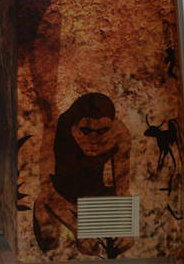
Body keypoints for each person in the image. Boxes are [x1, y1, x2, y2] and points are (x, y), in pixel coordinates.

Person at [32, 93, 133, 256]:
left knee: (122, 244)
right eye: (85, 131)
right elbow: (46, 190)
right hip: (59, 200)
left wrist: (128, 226)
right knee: (49, 238)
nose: (93, 139)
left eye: (102, 131)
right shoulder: (54, 132)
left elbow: (122, 188)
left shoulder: (119, 135)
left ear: (111, 127)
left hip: (93, 199)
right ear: (73, 126)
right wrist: (78, 228)